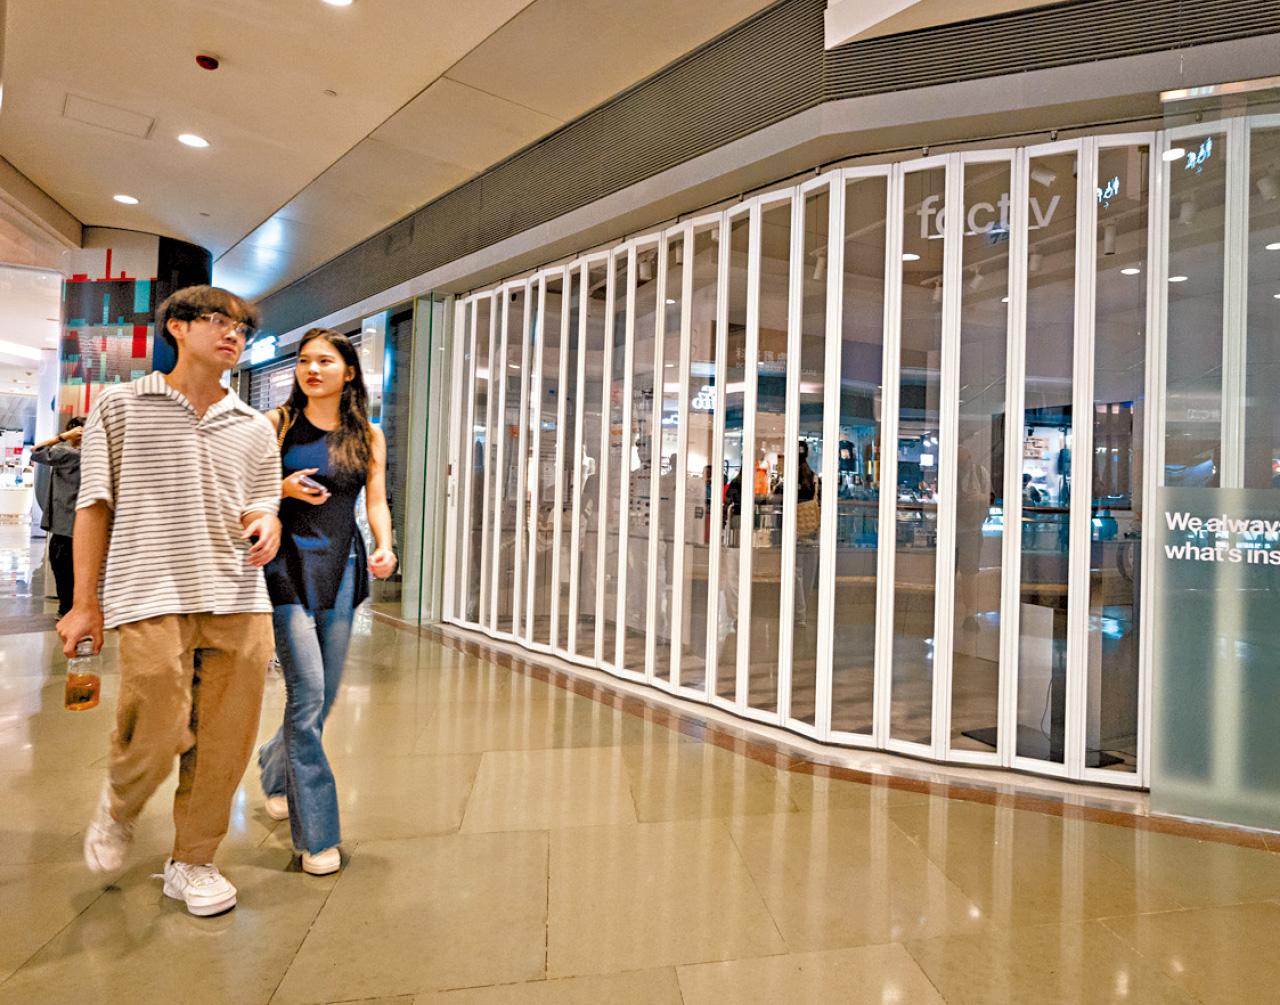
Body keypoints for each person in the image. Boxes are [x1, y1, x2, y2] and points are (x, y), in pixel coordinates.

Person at [57, 285, 281, 917]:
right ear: (177, 328)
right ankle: (122, 803)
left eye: (241, 328)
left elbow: (261, 501)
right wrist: (84, 603)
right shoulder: (122, 406)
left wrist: (266, 520)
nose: (233, 335)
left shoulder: (254, 426)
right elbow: (93, 505)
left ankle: (194, 860)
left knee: (227, 737)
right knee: (156, 716)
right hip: (149, 587)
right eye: (217, 321)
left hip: (238, 592)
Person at [256, 328, 396, 876]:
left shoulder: (367, 434)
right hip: (285, 566)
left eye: (325, 361)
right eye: (304, 361)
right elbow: (244, 491)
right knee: (308, 693)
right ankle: (317, 836)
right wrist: (281, 489)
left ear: (349, 372)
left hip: (343, 564)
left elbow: (376, 501)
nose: (312, 369)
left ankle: (274, 766)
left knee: (323, 698)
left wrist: (385, 545)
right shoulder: (277, 424)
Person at [31, 416, 86, 616]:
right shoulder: (90, 456)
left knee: (63, 570)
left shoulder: (69, 454)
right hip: (76, 524)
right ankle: (71, 609)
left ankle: (67, 610)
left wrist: (62, 437)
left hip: (66, 526)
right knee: (72, 571)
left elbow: (36, 451)